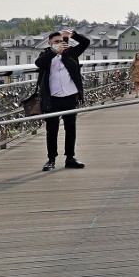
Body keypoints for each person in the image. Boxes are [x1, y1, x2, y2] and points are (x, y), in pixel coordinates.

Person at [34, 30, 90, 171]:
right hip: (52, 99)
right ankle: (51, 159)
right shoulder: (46, 55)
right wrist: (54, 52)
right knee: (51, 130)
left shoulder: (70, 53)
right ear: (50, 43)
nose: (59, 44)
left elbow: (86, 43)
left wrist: (74, 35)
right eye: (56, 42)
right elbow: (39, 63)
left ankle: (70, 158)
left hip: (70, 96)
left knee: (70, 128)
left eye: (61, 41)